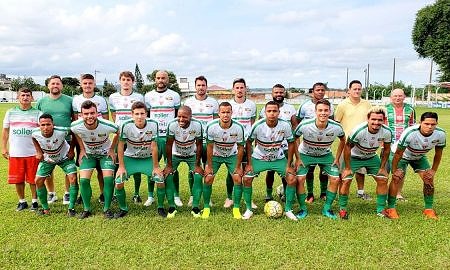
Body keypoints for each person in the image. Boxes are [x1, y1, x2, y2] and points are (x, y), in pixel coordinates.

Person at [385, 112, 445, 220]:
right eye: (426, 124)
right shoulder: (410, 133)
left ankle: (428, 209)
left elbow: (438, 153)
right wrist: (394, 171)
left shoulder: (440, 134)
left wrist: (433, 170)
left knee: (429, 179)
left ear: (437, 124)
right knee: (396, 179)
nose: (430, 127)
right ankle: (391, 208)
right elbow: (398, 153)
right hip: (401, 155)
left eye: (433, 124)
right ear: (420, 123)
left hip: (419, 156)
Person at [116, 101, 171, 218]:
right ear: (132, 114)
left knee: (160, 179)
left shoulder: (153, 124)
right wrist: (121, 166)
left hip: (147, 159)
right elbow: (120, 146)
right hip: (130, 158)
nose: (139, 117)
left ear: (146, 114)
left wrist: (156, 166)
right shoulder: (125, 125)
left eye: (142, 113)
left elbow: (154, 146)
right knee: (119, 181)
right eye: (136, 114)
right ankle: (123, 209)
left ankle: (160, 207)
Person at [243, 101, 296, 220]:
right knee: (246, 178)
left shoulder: (285, 125)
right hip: (259, 157)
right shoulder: (258, 125)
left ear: (279, 112)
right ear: (265, 112)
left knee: (291, 179)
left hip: (278, 158)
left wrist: (288, 164)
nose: (272, 113)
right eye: (269, 111)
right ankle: (248, 209)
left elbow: (291, 143)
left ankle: (288, 210)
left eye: (274, 111)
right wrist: (249, 163)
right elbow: (248, 142)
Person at [294, 99, 345, 220]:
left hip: (325, 155)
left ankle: (327, 208)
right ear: (315, 111)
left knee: (335, 178)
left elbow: (343, 140)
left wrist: (337, 158)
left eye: (326, 110)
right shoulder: (305, 125)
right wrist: (298, 158)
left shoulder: (336, 127)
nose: (323, 113)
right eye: (320, 110)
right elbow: (294, 139)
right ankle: (303, 209)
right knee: (300, 178)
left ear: (330, 111)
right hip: (305, 154)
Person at [339, 106, 392, 219]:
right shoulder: (359, 131)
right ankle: (342, 209)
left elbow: (387, 149)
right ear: (368, 119)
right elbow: (347, 147)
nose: (376, 122)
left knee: (382, 179)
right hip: (354, 157)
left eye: (379, 120)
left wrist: (382, 167)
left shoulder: (387, 131)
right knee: (346, 180)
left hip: (371, 157)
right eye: (373, 119)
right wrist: (347, 167)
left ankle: (380, 209)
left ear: (383, 120)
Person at [71, 100, 118, 219]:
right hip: (89, 154)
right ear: (81, 115)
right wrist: (81, 149)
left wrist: (112, 149)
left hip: (105, 154)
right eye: (86, 114)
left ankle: (107, 208)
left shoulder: (107, 125)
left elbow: (119, 132)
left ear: (97, 113)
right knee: (83, 181)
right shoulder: (76, 125)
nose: (89, 116)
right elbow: (75, 133)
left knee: (108, 179)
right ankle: (87, 209)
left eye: (92, 113)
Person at [109, 71, 147, 204]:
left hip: (135, 136)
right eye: (123, 79)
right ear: (120, 81)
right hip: (119, 136)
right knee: (116, 164)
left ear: (133, 82)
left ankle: (136, 193)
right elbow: (114, 115)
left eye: (129, 80)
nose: (126, 82)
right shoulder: (113, 97)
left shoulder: (139, 96)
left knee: (137, 163)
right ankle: (115, 192)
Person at [202, 102, 245, 219]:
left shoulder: (238, 127)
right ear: (218, 113)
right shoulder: (211, 126)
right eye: (223, 112)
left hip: (232, 154)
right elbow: (209, 147)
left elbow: (241, 148)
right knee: (208, 177)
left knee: (237, 178)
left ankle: (236, 208)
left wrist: (238, 166)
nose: (225, 115)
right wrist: (209, 166)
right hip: (216, 155)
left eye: (228, 112)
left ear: (232, 113)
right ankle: (206, 207)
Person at [37, 75, 75, 205]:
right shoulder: (41, 102)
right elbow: (37, 120)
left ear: (62, 86)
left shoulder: (70, 100)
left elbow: (74, 120)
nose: (55, 86)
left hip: (67, 139)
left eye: (58, 84)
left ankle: (68, 193)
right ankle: (51, 193)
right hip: (46, 140)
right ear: (48, 86)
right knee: (48, 166)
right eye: (52, 83)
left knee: (68, 167)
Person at [144, 70, 181, 206]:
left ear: (168, 80)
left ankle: (176, 196)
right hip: (154, 137)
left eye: (163, 78)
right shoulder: (148, 96)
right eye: (158, 78)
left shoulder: (175, 95)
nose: (161, 80)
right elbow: (146, 116)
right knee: (152, 166)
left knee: (172, 166)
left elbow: (178, 116)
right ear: (155, 79)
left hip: (169, 137)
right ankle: (150, 196)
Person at [73, 73, 109, 204]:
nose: (87, 85)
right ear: (81, 84)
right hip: (83, 139)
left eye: (90, 83)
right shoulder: (76, 99)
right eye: (85, 83)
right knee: (82, 166)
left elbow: (106, 120)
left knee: (101, 169)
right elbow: (75, 119)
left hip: (99, 140)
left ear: (94, 84)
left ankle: (103, 193)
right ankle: (82, 195)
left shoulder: (101, 99)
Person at [2, 87, 40, 211]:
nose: (25, 97)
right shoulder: (10, 112)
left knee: (33, 178)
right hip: (16, 152)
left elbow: (42, 133)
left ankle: (35, 201)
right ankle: (22, 201)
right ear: (18, 97)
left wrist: (41, 150)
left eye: (28, 95)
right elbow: (5, 132)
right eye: (22, 95)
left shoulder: (38, 113)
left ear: (32, 98)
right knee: (18, 179)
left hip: (32, 153)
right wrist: (3, 147)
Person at [182, 75, 218, 207]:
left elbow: (215, 122)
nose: (201, 88)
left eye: (203, 85)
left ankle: (208, 197)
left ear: (206, 87)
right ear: (195, 86)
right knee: (193, 169)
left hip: (208, 141)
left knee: (208, 169)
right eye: (199, 85)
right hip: (192, 141)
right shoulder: (188, 102)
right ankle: (193, 195)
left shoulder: (214, 103)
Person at [31, 114, 77, 216]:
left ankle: (71, 208)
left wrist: (71, 150)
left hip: (65, 157)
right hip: (48, 159)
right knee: (38, 181)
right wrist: (38, 151)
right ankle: (45, 208)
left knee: (73, 178)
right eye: (43, 125)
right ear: (39, 125)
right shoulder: (35, 133)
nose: (45, 127)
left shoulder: (62, 131)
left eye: (48, 124)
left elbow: (74, 133)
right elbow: (33, 138)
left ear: (53, 124)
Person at [296, 82, 334, 203]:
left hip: (324, 144)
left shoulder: (329, 105)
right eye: (318, 90)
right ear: (313, 91)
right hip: (309, 144)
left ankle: (323, 193)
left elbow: (332, 123)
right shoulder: (305, 105)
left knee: (324, 170)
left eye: (322, 90)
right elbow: (297, 121)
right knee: (309, 170)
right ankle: (310, 194)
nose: (320, 92)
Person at [334, 80, 372, 200]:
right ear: (349, 90)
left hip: (363, 143)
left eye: (359, 89)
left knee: (361, 169)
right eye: (354, 89)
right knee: (343, 169)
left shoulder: (367, 104)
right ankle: (341, 192)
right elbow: (336, 123)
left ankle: (361, 192)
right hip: (347, 143)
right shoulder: (342, 105)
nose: (357, 91)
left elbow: (370, 121)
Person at [259, 84, 297, 202]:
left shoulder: (290, 108)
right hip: (270, 147)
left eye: (281, 92)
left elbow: (295, 127)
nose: (279, 94)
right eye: (276, 92)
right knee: (270, 172)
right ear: (272, 94)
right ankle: (268, 194)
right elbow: (260, 128)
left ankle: (286, 193)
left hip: (286, 147)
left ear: (284, 93)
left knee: (286, 172)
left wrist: (296, 145)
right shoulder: (264, 109)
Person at [164, 106, 204, 217]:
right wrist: (169, 165)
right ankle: (172, 207)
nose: (181, 119)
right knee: (168, 175)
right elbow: (168, 144)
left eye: (184, 117)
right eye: (179, 116)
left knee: (198, 175)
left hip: (191, 154)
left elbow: (199, 145)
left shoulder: (197, 125)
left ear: (190, 117)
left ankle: (195, 207)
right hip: (175, 154)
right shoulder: (172, 125)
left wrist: (197, 164)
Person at [228, 78, 257, 209]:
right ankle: (229, 198)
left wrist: (251, 141)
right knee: (232, 171)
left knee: (247, 171)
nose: (239, 90)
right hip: (232, 143)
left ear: (245, 89)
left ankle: (248, 199)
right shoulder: (228, 105)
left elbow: (252, 123)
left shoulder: (251, 105)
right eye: (237, 88)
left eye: (242, 87)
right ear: (233, 89)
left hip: (246, 143)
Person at [384, 88, 415, 201]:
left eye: (400, 96)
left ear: (404, 97)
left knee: (401, 170)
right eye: (395, 96)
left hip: (403, 145)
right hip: (388, 144)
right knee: (385, 169)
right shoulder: (385, 109)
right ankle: (385, 192)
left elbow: (412, 125)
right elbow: (381, 125)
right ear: (391, 97)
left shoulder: (410, 109)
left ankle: (397, 193)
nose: (397, 98)